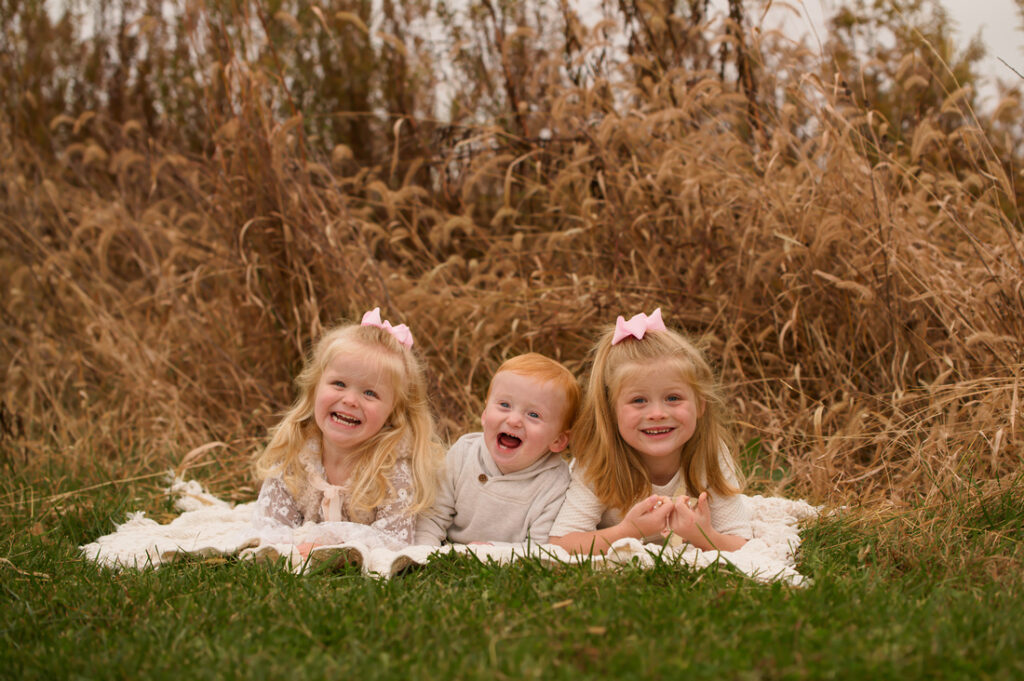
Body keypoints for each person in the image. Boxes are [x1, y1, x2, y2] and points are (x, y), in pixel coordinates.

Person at [548, 308, 751, 555]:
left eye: (673, 398)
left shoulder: (709, 454)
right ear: (611, 411)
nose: (657, 413)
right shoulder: (598, 460)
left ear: (700, 404)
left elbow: (742, 543)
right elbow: (561, 543)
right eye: (639, 401)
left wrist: (704, 536)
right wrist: (628, 531)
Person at [253, 308, 441, 550]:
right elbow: (269, 526)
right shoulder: (296, 456)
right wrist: (296, 544)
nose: (350, 400)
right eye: (339, 384)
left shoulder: (393, 470)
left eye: (370, 393)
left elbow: (395, 541)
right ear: (314, 389)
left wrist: (325, 540)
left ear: (393, 412)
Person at [415, 353, 580, 546]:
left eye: (534, 414)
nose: (514, 420)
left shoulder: (555, 484)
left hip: (506, 558)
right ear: (485, 414)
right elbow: (432, 517)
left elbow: (539, 548)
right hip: (449, 547)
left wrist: (493, 551)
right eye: (504, 405)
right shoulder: (463, 455)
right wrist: (425, 553)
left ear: (558, 440)